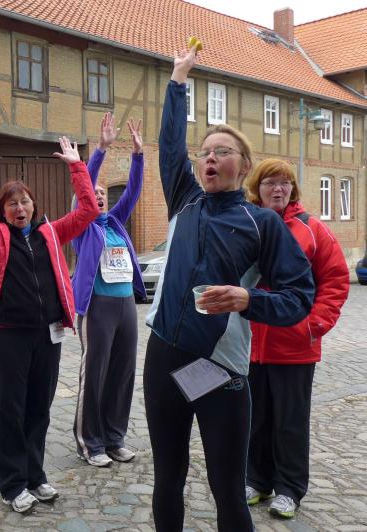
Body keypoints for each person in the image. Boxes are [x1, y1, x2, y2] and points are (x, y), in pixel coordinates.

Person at [144, 44, 315, 531]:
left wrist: (248, 299)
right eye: (205, 153)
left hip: (219, 367)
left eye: (222, 152)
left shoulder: (262, 223)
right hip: (164, 356)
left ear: (243, 165)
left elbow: (299, 295)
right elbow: (170, 146)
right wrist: (178, 82)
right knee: (167, 477)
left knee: (227, 488)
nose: (210, 159)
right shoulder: (185, 200)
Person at [0, 134, 99, 513]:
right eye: (12, 203)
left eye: (25, 201)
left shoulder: (50, 233)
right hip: (6, 337)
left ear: (34, 205)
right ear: (3, 210)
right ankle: (13, 484)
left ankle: (35, 476)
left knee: (39, 408)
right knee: (11, 410)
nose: (20, 208)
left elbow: (88, 211)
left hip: (47, 336)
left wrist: (76, 167)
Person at [242, 159, 349, 519]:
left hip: (295, 347)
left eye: (285, 183)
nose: (278, 189)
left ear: (293, 189)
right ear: (257, 188)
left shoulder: (312, 229)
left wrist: (312, 326)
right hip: (249, 346)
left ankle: (289, 489)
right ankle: (256, 480)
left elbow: (335, 280)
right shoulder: (247, 223)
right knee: (255, 418)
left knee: (290, 422)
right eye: (270, 182)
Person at [71, 113, 145, 468]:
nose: (99, 196)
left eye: (103, 193)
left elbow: (132, 192)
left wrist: (139, 156)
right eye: (94, 193)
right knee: (96, 373)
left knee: (123, 373)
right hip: (97, 306)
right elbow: (85, 187)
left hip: (126, 305)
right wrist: (100, 148)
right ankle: (91, 442)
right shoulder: (83, 226)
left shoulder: (115, 223)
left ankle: (115, 438)